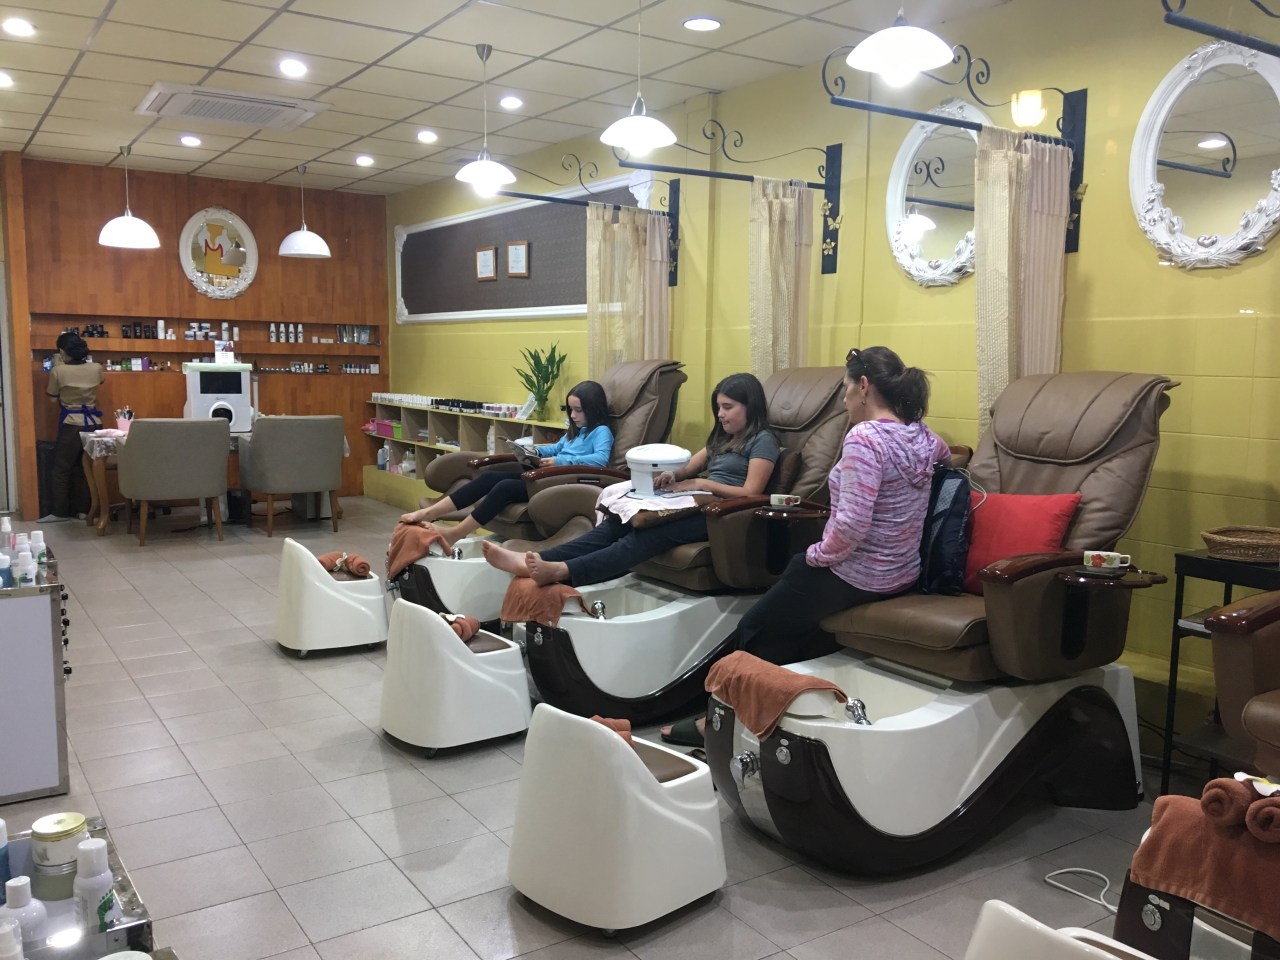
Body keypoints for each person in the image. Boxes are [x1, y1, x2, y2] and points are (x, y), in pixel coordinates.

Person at [662, 345, 949, 746]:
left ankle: (717, 722)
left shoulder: (865, 438)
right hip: (903, 573)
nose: (844, 399)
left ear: (864, 386)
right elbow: (945, 461)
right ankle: (737, 712)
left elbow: (851, 525)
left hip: (857, 574)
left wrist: (816, 556)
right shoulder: (924, 437)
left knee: (753, 631)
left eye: (846, 388)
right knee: (796, 630)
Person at [483, 372, 779, 587]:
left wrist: (704, 484)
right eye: (718, 407)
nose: (720, 414)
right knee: (617, 522)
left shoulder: (762, 440)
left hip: (722, 515)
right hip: (697, 502)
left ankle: (563, 571)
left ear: (749, 406)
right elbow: (689, 468)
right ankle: (541, 558)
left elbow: (751, 491)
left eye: (728, 407)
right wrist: (671, 475)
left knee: (645, 536)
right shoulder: (722, 437)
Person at [400, 381, 613, 548]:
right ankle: (430, 513)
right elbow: (557, 448)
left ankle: (455, 533)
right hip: (546, 477)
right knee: (487, 478)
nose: (573, 415)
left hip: (562, 482)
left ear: (593, 409)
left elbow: (601, 460)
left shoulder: (601, 432)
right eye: (571, 410)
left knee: (505, 488)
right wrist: (534, 451)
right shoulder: (576, 430)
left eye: (578, 410)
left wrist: (560, 461)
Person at [42, 332, 104, 523]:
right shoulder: (96, 368)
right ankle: (85, 511)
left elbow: (52, 399)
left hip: (71, 424)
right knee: (86, 467)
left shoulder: (58, 371)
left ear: (62, 351)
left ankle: (59, 512)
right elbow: (100, 382)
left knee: (61, 468)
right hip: (94, 423)